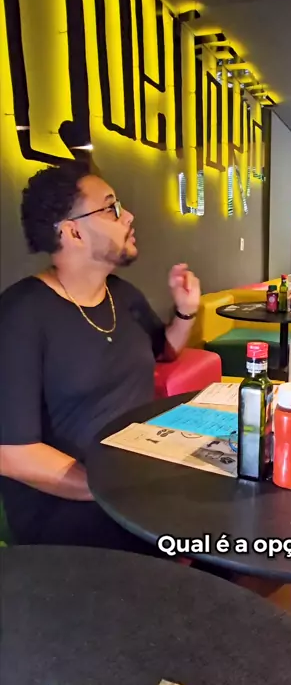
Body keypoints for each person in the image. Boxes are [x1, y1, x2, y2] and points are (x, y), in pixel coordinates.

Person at [0, 161, 201, 550]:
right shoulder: (20, 315)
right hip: (69, 510)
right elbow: (13, 454)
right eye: (111, 207)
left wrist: (185, 312)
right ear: (72, 231)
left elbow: (164, 351)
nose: (129, 216)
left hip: (138, 477)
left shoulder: (122, 295)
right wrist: (110, 490)